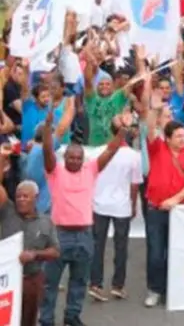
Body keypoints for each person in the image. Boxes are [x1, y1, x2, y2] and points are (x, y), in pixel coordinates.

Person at [39, 110, 126, 326]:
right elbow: (48, 151)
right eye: (71, 157)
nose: (75, 161)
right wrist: (49, 128)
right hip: (59, 236)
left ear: (83, 159)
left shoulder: (91, 170)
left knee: (79, 282)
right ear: (65, 157)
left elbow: (112, 149)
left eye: (79, 158)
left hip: (85, 236)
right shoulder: (55, 171)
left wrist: (123, 128)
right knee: (50, 283)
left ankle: (72, 317)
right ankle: (47, 320)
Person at [143, 98, 184, 307]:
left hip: (180, 211)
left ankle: (174, 289)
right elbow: (150, 127)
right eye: (178, 137)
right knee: (156, 252)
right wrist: (155, 109)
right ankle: (154, 289)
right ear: (167, 139)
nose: (183, 140)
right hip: (156, 209)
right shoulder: (157, 148)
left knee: (177, 250)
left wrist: (175, 200)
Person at [88, 112, 143, 302]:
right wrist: (133, 204)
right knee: (121, 246)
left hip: (99, 204)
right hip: (121, 206)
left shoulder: (97, 152)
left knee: (97, 245)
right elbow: (134, 185)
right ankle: (118, 285)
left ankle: (95, 283)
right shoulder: (134, 156)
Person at [0, 172, 59, 326]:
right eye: (18, 196)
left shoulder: (46, 222)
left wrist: (35, 254)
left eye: (25, 197)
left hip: (31, 280)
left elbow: (55, 251)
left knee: (28, 319)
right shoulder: (8, 213)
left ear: (36, 198)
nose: (21, 200)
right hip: (5, 282)